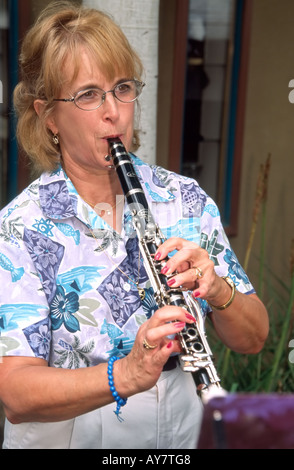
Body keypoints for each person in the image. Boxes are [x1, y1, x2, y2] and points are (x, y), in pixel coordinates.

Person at [0, 1, 269, 449]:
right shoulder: (20, 227)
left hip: (182, 419)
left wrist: (217, 289)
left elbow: (254, 337)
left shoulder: (184, 199)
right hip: (73, 431)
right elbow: (15, 393)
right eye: (88, 94)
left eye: (122, 88)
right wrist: (124, 374)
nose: (114, 112)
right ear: (48, 116)